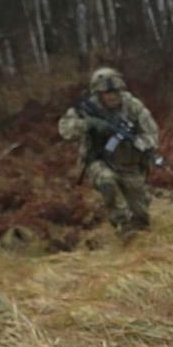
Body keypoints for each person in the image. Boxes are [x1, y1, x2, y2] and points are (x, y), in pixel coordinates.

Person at [57, 67, 162, 234]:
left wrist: (138, 143)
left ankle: (133, 225)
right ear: (98, 94)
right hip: (99, 161)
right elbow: (64, 129)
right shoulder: (88, 107)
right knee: (107, 181)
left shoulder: (133, 106)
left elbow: (152, 134)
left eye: (115, 91)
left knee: (142, 218)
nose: (112, 96)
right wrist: (89, 124)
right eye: (106, 92)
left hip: (129, 165)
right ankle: (121, 222)